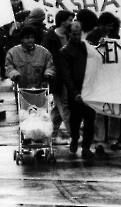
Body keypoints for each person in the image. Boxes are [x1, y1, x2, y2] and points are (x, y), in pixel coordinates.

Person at [86, 12, 121, 153]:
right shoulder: (92, 37)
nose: (109, 28)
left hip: (112, 77)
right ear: (100, 24)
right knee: (100, 111)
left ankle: (114, 138)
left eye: (111, 26)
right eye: (107, 26)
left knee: (114, 110)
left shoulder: (115, 36)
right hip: (98, 78)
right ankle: (99, 140)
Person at [61, 21, 96, 158]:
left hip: (88, 90)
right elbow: (66, 75)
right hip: (75, 92)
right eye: (74, 34)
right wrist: (74, 93)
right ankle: (75, 139)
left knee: (90, 121)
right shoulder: (65, 52)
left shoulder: (86, 47)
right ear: (69, 34)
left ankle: (86, 147)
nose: (76, 37)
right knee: (75, 120)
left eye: (79, 34)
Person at [42, 10, 75, 144]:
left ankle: (50, 134)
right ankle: (74, 135)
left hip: (67, 77)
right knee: (65, 106)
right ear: (63, 22)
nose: (72, 22)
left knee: (58, 108)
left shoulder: (69, 35)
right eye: (70, 20)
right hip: (57, 79)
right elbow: (46, 59)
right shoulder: (50, 38)